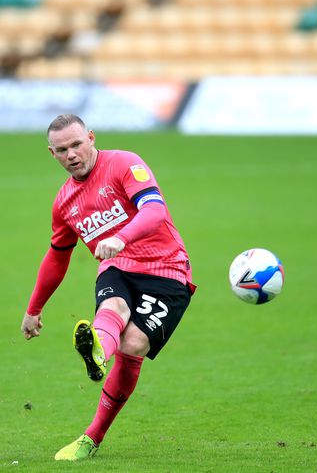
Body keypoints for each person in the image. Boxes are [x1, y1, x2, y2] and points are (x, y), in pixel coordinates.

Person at [20, 114, 196, 460]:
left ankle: (93, 435)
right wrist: (33, 309)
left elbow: (155, 211)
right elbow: (57, 257)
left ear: (90, 138)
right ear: (52, 154)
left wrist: (121, 236)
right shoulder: (64, 202)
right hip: (117, 266)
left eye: (76, 145)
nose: (71, 154)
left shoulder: (124, 164)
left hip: (167, 270)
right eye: (61, 150)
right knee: (111, 308)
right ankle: (99, 349)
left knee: (134, 343)